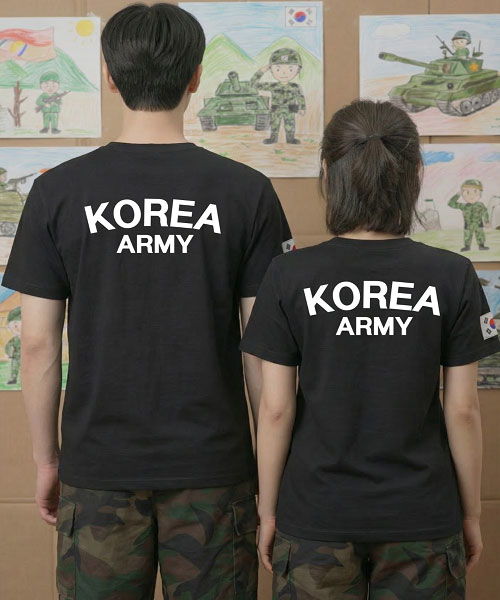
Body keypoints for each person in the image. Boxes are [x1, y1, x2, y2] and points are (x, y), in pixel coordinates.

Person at [3, 3, 292, 598]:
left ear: (110, 76)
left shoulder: (57, 192)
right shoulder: (247, 192)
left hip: (98, 466)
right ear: (196, 77)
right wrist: (272, 475)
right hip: (216, 470)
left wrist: (48, 461)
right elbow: (265, 355)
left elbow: (36, 344)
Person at [241, 99, 500, 599]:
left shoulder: (289, 275)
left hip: (315, 516)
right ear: (416, 174)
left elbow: (274, 409)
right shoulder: (451, 274)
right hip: (422, 517)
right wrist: (470, 514)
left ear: (327, 172)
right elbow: (463, 409)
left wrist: (268, 511)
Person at [251, 48, 305, 145]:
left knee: (290, 125)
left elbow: (300, 97)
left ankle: (290, 139)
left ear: (297, 70)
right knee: (274, 125)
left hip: (290, 109)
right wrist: (262, 71)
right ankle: (273, 139)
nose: (284, 73)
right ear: (271, 70)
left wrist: (302, 108)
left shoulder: (295, 87)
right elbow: (253, 84)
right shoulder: (273, 86)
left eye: (290, 69)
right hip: (276, 109)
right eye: (278, 69)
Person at [448, 179, 490, 252]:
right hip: (468, 225)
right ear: (463, 194)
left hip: (478, 224)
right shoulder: (464, 206)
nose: (471, 195)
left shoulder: (480, 205)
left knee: (480, 234)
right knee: (467, 235)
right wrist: (457, 195)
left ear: (480, 193)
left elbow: (485, 212)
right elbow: (451, 204)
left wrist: (486, 221)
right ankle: (467, 247)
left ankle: (481, 246)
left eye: (475, 191)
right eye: (467, 192)